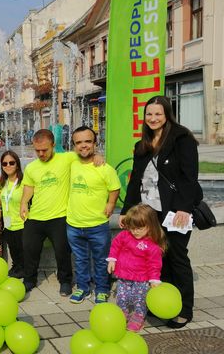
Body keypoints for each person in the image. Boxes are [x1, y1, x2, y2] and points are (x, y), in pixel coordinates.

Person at [119, 95, 202, 329]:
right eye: (149, 114)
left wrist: (184, 209)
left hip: (174, 212)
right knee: (157, 261)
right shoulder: (142, 144)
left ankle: (184, 310)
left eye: (158, 114)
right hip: (149, 214)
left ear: (167, 115)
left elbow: (189, 178)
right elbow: (135, 180)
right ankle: (163, 305)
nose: (153, 118)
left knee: (177, 259)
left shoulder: (181, 138)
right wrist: (126, 211)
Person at [19, 129, 81, 296]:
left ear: (53, 145)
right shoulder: (31, 167)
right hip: (35, 216)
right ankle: (29, 279)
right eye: (37, 150)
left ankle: (66, 280)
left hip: (59, 216)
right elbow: (29, 187)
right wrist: (24, 203)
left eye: (44, 150)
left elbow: (85, 154)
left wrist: (97, 157)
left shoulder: (67, 158)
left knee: (62, 250)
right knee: (29, 248)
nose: (40, 154)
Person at [66, 126, 120, 304]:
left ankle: (102, 289)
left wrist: (111, 203)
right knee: (80, 259)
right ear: (73, 145)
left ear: (95, 144)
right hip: (74, 224)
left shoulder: (104, 167)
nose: (83, 146)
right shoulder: (71, 163)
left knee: (101, 259)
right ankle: (83, 287)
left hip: (97, 225)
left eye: (88, 141)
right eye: (78, 142)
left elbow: (114, 187)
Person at [108, 204, 166, 332]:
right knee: (122, 297)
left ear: (150, 226)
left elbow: (154, 264)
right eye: (132, 228)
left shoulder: (152, 246)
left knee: (139, 299)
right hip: (123, 275)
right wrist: (112, 259)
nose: (135, 231)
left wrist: (154, 279)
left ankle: (139, 317)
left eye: (139, 228)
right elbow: (115, 246)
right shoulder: (125, 235)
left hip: (141, 278)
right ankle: (122, 313)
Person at [0, 150, 25, 279]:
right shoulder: (2, 183)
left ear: (17, 164)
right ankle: (16, 266)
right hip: (8, 222)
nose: (8, 165)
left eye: (11, 162)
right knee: (12, 247)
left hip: (22, 222)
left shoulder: (24, 182)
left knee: (21, 248)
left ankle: (23, 268)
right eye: (4, 163)